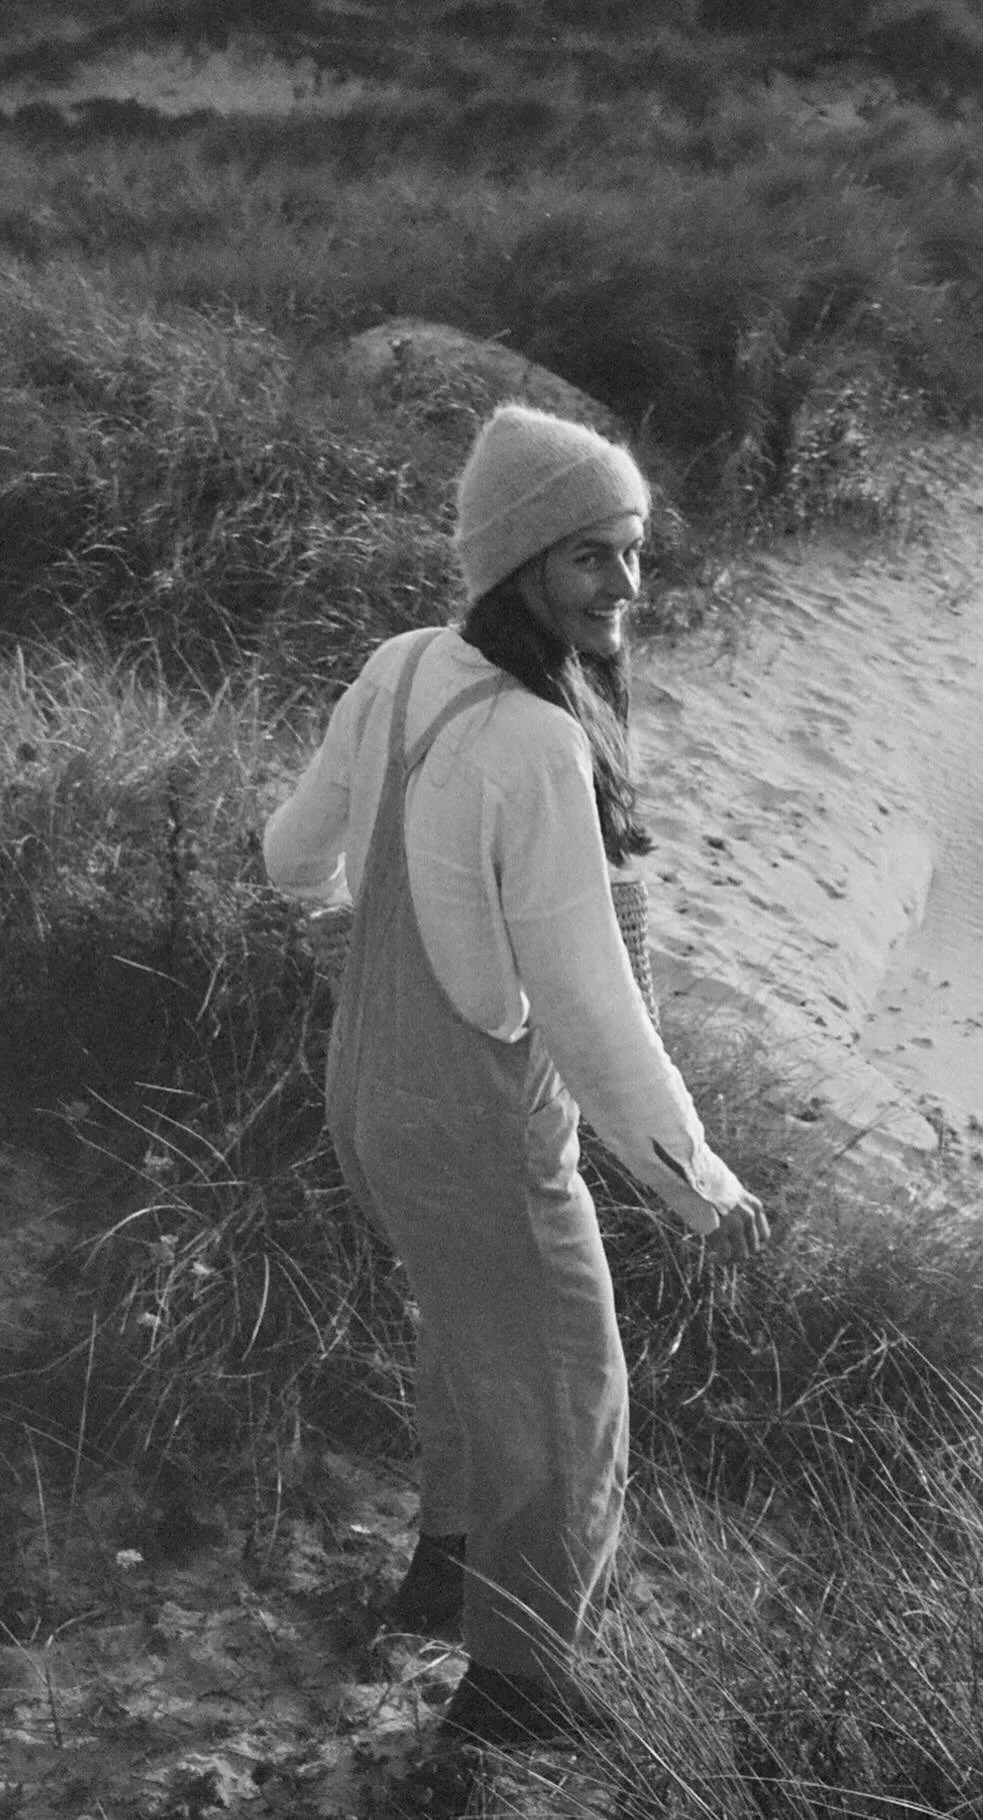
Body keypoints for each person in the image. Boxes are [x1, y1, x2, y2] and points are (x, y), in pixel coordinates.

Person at [263, 404, 768, 1748]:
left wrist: (348, 945)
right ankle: (518, 1686)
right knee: (567, 1386)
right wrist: (696, 1177)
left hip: (366, 1092)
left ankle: (446, 1563)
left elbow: (287, 854)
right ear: (515, 563)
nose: (625, 588)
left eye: (633, 552)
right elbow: (590, 1008)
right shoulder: (537, 742)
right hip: (480, 1116)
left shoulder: (400, 666)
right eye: (587, 558)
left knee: (461, 1324)